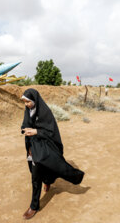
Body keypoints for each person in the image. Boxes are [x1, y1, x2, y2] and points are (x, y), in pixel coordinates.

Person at [21, 88, 84, 220]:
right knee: (37, 171)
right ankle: (48, 180)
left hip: (45, 146)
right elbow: (25, 124)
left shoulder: (45, 112)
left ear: (34, 100)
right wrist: (25, 130)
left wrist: (37, 132)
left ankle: (34, 206)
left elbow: (51, 132)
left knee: (39, 173)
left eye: (28, 102)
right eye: (25, 102)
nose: (26, 105)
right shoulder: (28, 110)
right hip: (33, 146)